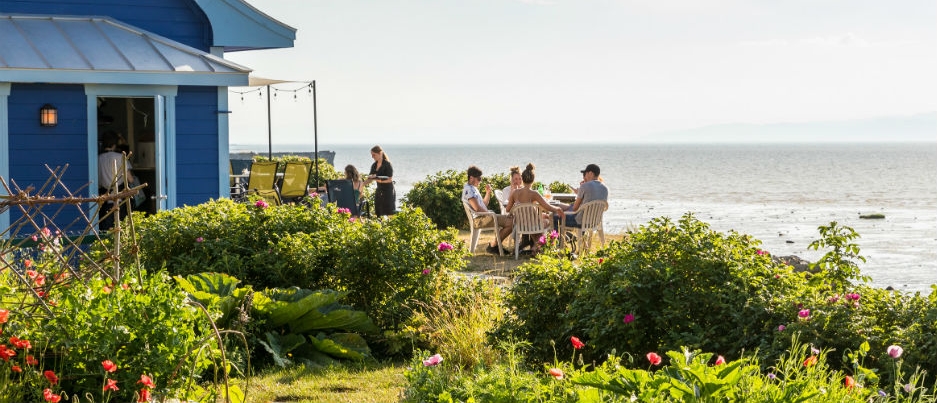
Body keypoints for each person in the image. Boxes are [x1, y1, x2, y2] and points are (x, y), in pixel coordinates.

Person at [506, 163, 564, 255]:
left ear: (522, 179)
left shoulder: (515, 193)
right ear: (533, 180)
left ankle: (535, 247)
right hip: (532, 225)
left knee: (536, 220)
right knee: (547, 220)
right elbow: (547, 207)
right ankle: (541, 246)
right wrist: (557, 209)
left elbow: (508, 209)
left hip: (520, 224)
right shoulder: (534, 193)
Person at [462, 165, 513, 255]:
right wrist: (490, 214)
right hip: (480, 220)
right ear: (471, 178)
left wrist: (488, 193)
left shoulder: (473, 188)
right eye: (478, 178)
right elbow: (477, 208)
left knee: (510, 220)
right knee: (511, 222)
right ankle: (494, 246)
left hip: (483, 217)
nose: (480, 181)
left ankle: (494, 245)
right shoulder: (468, 190)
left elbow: (483, 204)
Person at [98, 130, 135, 231]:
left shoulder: (98, 159)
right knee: (121, 225)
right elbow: (130, 179)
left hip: (104, 195)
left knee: (105, 226)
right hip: (120, 194)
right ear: (114, 144)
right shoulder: (120, 157)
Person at [554, 163, 608, 230]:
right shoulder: (605, 188)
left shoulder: (585, 186)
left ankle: (558, 240)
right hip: (595, 221)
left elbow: (575, 208)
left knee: (553, 218)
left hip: (579, 222)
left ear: (590, 173)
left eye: (586, 173)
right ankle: (572, 237)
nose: (584, 176)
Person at [364, 145, 395, 216]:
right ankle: (379, 226)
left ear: (380, 153)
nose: (372, 157)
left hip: (388, 191)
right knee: (378, 211)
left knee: (389, 212)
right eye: (371, 155)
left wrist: (379, 180)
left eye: (374, 155)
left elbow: (390, 179)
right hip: (379, 190)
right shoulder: (374, 165)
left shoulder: (387, 164)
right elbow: (370, 179)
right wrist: (361, 184)